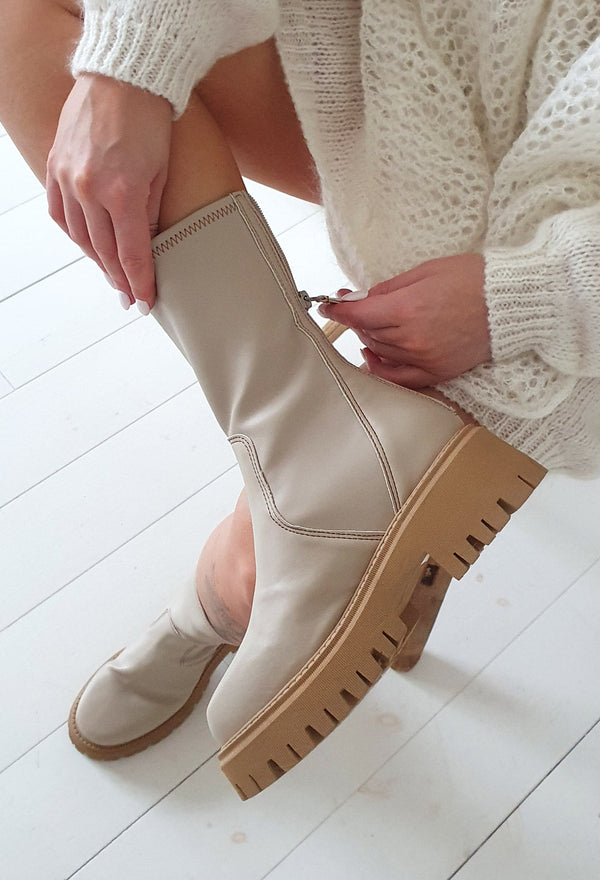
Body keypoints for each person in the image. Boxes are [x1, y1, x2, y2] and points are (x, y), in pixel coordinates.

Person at [2, 1, 599, 799]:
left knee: (261, 569)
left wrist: (524, 298)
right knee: (37, 22)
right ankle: (303, 440)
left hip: (562, 244)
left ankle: (234, 583)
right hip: (417, 78)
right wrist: (128, 72)